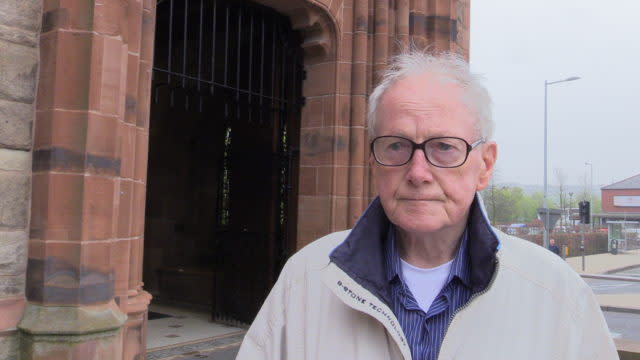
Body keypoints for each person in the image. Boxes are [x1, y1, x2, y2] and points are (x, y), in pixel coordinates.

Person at [236, 50, 618, 360]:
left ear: (484, 165)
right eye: (397, 145)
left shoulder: (554, 292)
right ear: (374, 161)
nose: (418, 172)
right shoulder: (306, 277)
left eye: (444, 147)